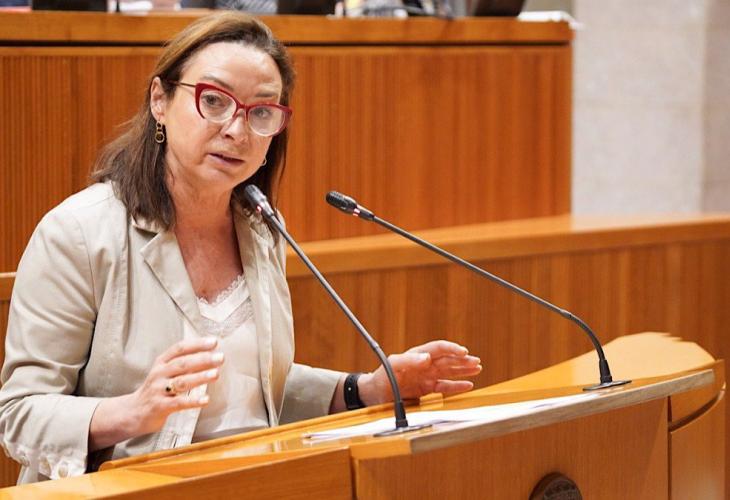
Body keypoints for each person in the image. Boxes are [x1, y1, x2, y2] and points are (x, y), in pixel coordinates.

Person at [0, 12, 482, 484]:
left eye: (261, 112)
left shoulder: (261, 229)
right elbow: (18, 414)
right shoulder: (79, 233)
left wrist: (364, 389)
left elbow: (253, 388)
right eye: (213, 101)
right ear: (160, 100)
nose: (236, 129)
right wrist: (130, 412)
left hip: (253, 483)